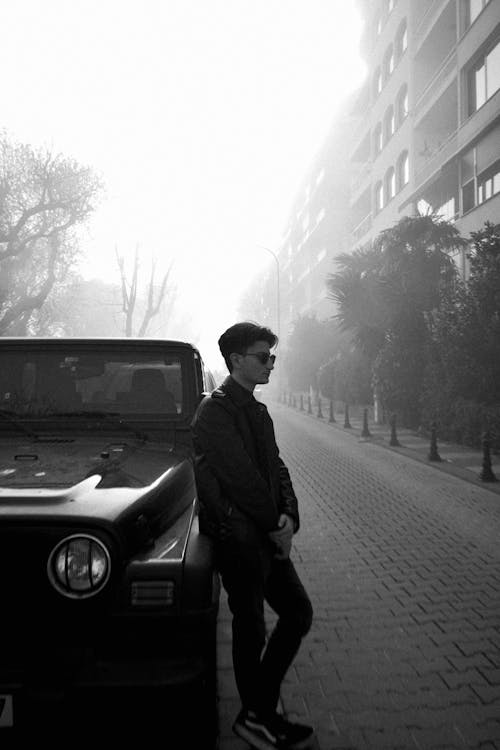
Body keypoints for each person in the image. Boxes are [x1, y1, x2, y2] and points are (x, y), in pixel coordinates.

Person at [191, 321, 314, 750]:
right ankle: (258, 717)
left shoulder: (257, 411)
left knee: (297, 614)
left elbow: (276, 467)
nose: (270, 365)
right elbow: (241, 479)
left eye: (272, 357)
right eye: (263, 357)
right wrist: (272, 526)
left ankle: (256, 714)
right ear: (236, 360)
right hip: (240, 540)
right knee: (251, 628)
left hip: (266, 534)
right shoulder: (214, 413)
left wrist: (289, 517)